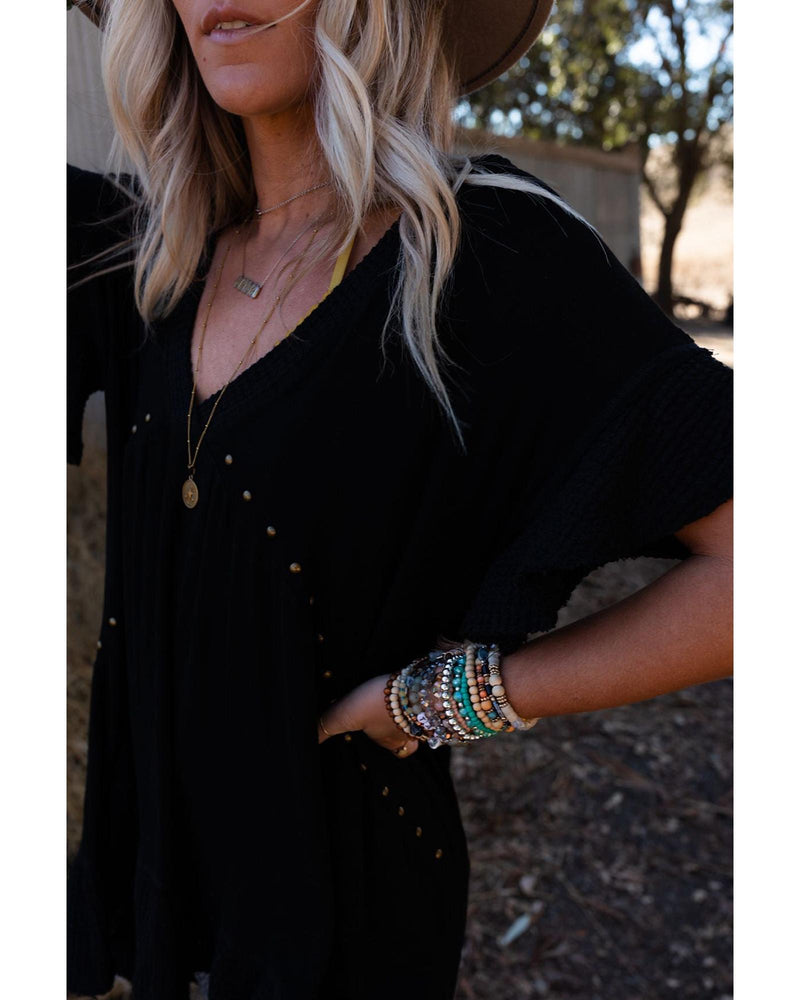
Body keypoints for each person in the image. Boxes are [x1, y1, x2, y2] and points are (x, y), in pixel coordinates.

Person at [66, 1, 733, 998]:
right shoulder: (150, 256)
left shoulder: (486, 252)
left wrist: (449, 697)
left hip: (348, 919)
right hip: (164, 902)